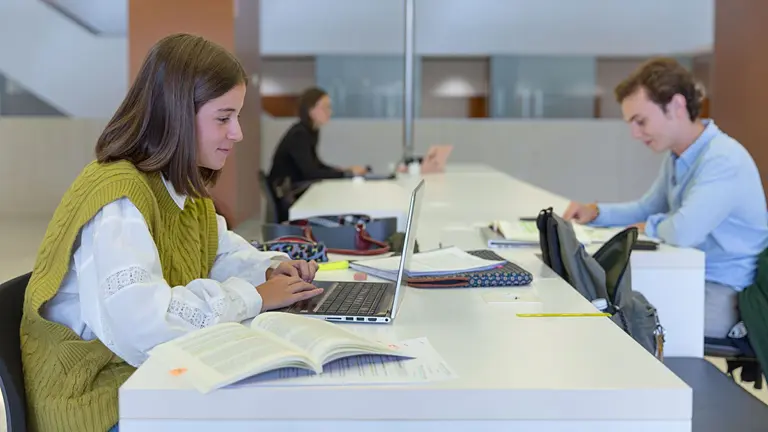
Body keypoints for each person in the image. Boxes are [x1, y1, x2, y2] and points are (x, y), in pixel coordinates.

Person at [20, 33, 325, 432]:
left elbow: (217, 252)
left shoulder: (182, 186)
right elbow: (145, 326)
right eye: (223, 118)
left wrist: (270, 270)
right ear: (175, 115)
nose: (238, 133)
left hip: (141, 381)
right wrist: (252, 297)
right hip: (97, 401)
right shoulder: (118, 197)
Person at [563, 58, 768, 339]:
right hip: (695, 279)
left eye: (641, 121)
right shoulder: (680, 156)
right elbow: (647, 207)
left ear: (676, 106)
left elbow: (682, 231)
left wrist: (648, 226)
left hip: (727, 295)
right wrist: (596, 212)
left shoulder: (722, 159)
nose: (635, 134)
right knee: (607, 305)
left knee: (619, 323)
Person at [268, 87, 368, 191]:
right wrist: (344, 173)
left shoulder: (311, 131)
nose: (330, 112)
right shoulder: (299, 135)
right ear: (311, 110)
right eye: (325, 107)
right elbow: (311, 173)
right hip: (288, 193)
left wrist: (342, 171)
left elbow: (316, 164)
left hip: (296, 188)